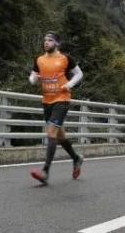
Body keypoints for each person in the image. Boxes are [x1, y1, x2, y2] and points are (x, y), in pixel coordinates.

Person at [29, 31, 85, 185]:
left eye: (50, 40)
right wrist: (34, 79)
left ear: (57, 43)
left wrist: (69, 84)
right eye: (45, 40)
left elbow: (79, 74)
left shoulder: (65, 59)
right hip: (47, 101)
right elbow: (32, 77)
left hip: (62, 100)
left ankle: (45, 172)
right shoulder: (39, 60)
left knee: (51, 132)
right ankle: (76, 158)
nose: (46, 42)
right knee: (60, 137)